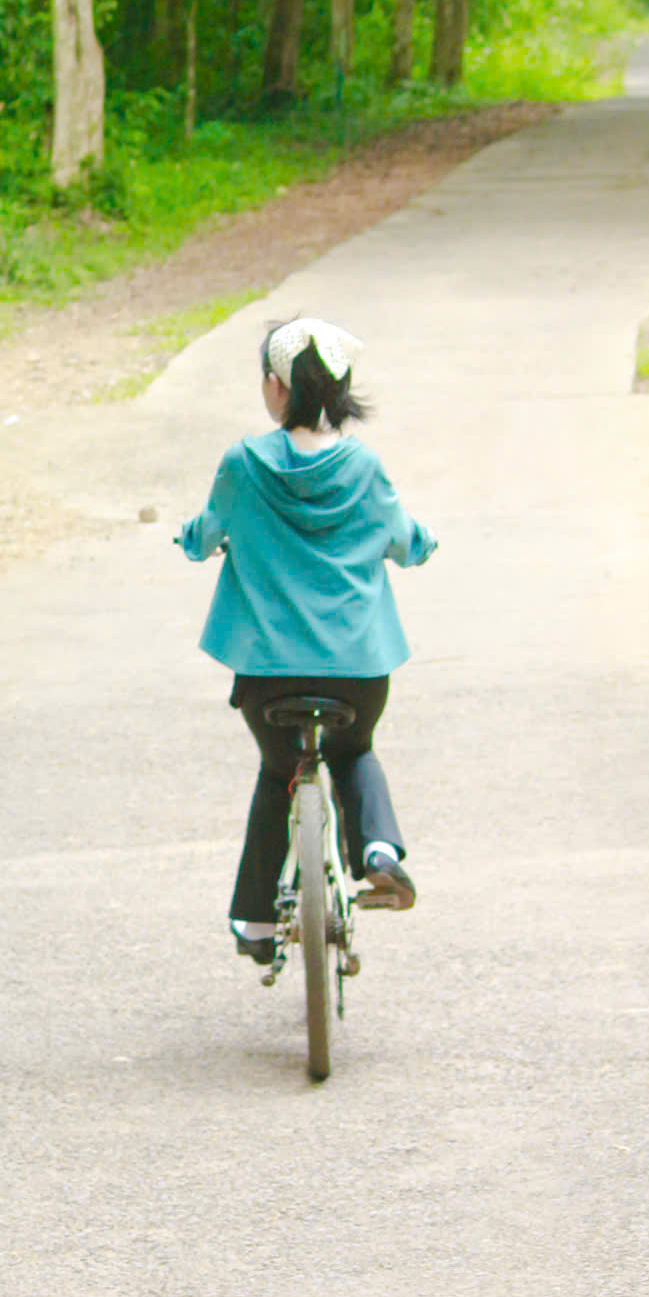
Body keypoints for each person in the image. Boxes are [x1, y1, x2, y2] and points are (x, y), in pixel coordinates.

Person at [176, 315, 436, 966]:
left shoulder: (242, 464)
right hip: (357, 666)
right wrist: (419, 543)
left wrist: (192, 539)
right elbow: (407, 542)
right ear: (341, 385)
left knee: (278, 771)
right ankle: (377, 850)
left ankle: (260, 926)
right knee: (353, 752)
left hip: (267, 673)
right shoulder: (364, 467)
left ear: (273, 385)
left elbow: (204, 534)